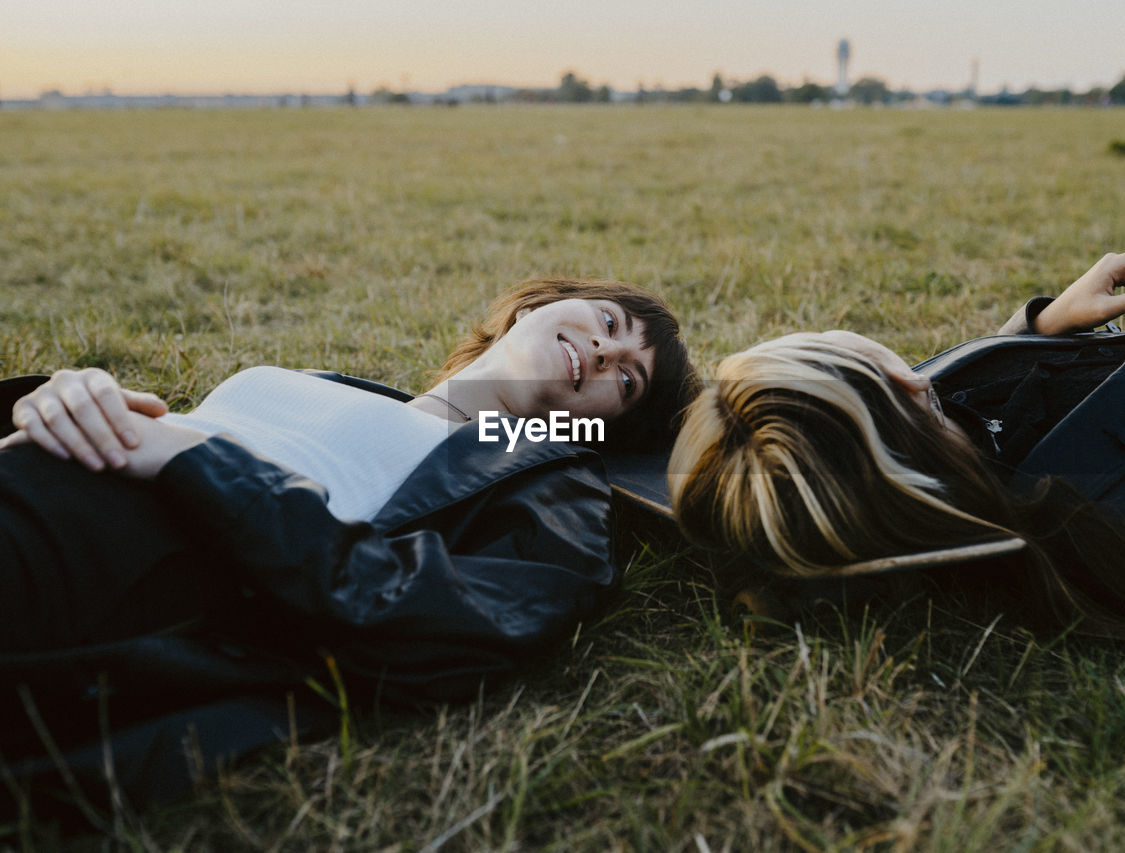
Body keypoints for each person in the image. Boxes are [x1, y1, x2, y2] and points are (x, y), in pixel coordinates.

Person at [0, 277, 696, 806]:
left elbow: (434, 620)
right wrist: (75, 396)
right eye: (609, 322)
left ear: (597, 432)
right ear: (533, 309)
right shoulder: (340, 387)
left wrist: (191, 461)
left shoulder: (544, 479)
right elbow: (182, 427)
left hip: (114, 553)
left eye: (627, 379)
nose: (607, 349)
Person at [668, 249, 1125, 658]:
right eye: (842, 350)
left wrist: (1044, 329)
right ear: (902, 394)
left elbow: (978, 407)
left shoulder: (924, 427)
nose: (917, 374)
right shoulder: (1121, 525)